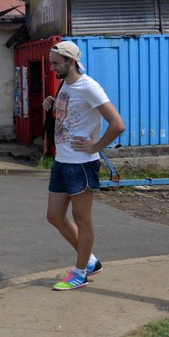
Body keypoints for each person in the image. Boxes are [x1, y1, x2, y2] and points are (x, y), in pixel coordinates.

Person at [42, 41, 125, 291]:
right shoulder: (64, 85)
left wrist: (96, 146)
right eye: (51, 62)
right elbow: (72, 115)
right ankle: (90, 261)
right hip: (62, 161)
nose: (52, 67)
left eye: (56, 63)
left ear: (71, 61)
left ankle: (80, 274)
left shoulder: (90, 87)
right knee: (54, 216)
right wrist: (52, 103)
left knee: (82, 219)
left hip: (81, 164)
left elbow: (118, 124)